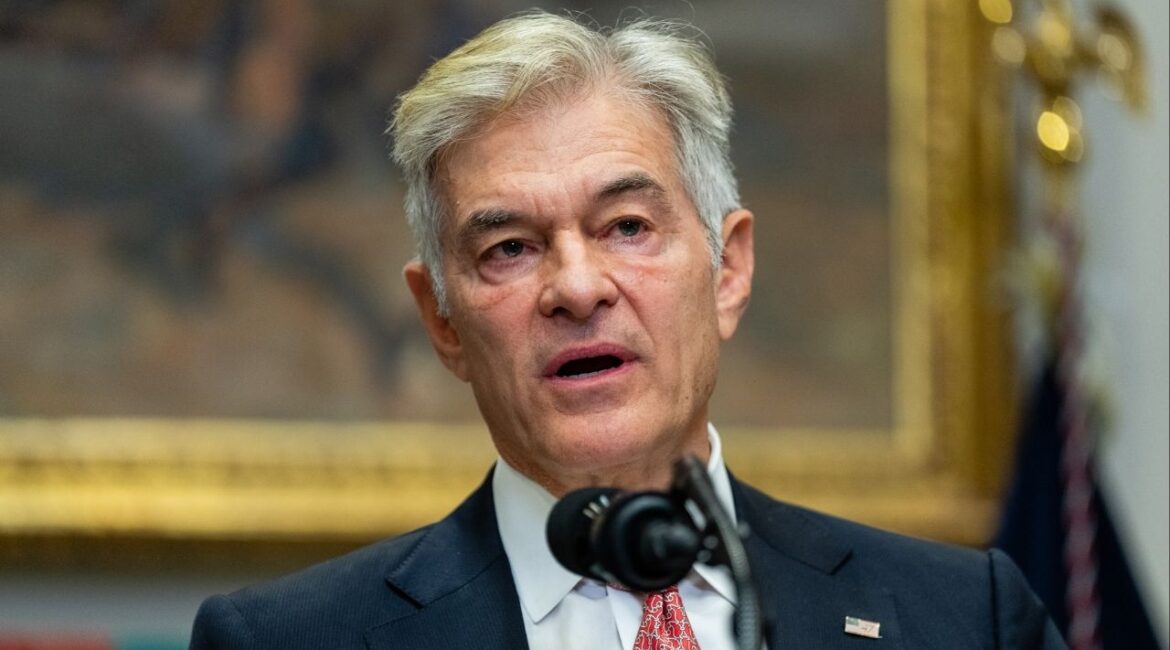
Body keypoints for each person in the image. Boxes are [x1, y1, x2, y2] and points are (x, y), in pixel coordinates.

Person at [190, 10, 1065, 649]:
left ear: (729, 269)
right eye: (508, 247)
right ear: (442, 321)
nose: (576, 286)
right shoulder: (285, 642)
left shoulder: (964, 619)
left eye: (627, 228)